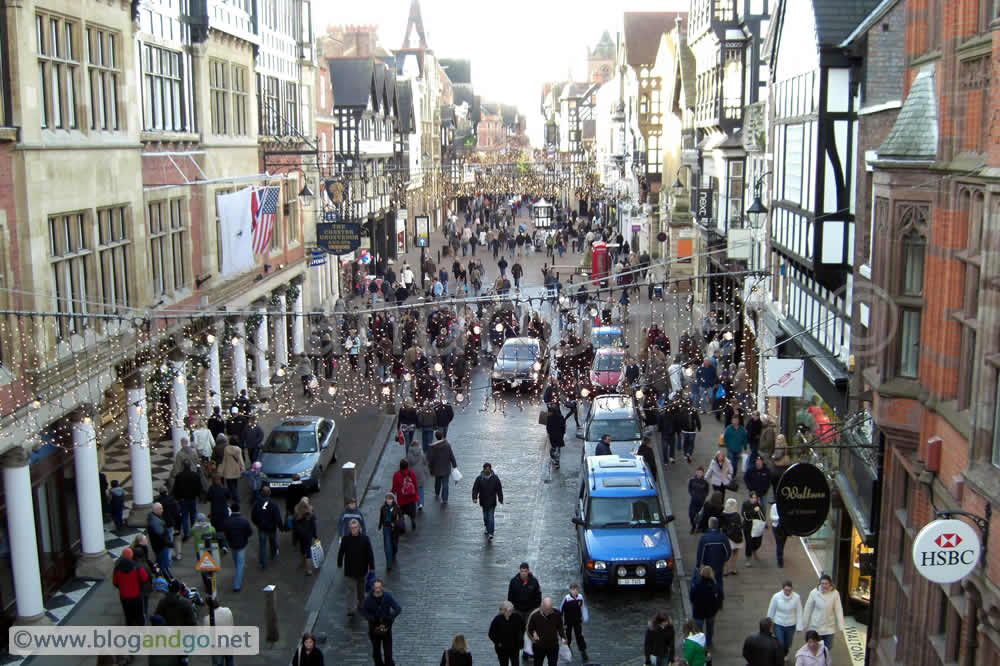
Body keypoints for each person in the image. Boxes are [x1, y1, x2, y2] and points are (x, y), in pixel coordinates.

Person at [337, 519, 375, 615]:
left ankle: (361, 604)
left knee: (361, 589)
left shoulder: (365, 539)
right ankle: (351, 608)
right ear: (349, 529)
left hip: (362, 569)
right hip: (350, 570)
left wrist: (372, 566)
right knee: (351, 589)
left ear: (359, 528)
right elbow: (341, 552)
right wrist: (339, 563)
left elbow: (369, 553)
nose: (353, 529)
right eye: (352, 528)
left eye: (355, 527)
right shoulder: (345, 539)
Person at [361, 578, 402, 666]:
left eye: (380, 587)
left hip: (385, 627)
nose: (378, 589)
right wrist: (372, 618)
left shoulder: (387, 596)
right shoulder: (368, 600)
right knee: (376, 652)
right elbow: (363, 612)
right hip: (374, 629)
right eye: (376, 588)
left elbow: (398, 608)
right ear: (373, 588)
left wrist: (390, 617)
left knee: (388, 652)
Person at [802, 575, 845, 653]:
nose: (824, 585)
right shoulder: (814, 593)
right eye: (822, 583)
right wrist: (804, 624)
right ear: (819, 584)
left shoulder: (835, 594)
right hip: (816, 627)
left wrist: (841, 626)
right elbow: (808, 609)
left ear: (830, 584)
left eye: (826, 583)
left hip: (829, 627)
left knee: (828, 647)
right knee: (817, 648)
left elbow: (838, 610)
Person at [695, 517, 732, 597]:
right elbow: (728, 551)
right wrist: (725, 560)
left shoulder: (704, 538)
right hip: (719, 563)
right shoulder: (723, 537)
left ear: (709, 525)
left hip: (708, 564)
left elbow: (700, 553)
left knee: (707, 580)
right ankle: (719, 596)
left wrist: (698, 565)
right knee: (719, 579)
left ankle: (709, 596)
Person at [112, 547, 149, 625]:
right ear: (131, 556)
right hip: (136, 596)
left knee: (128, 616)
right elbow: (145, 578)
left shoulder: (117, 568)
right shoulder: (137, 567)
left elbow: (115, 583)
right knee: (139, 615)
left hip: (124, 597)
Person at [768, 581, 804, 657]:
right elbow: (771, 610)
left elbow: (799, 612)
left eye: (789, 590)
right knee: (780, 642)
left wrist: (799, 626)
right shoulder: (776, 597)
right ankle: (780, 656)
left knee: (788, 642)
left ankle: (785, 653)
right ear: (783, 589)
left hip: (791, 625)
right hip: (778, 624)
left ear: (792, 590)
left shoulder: (796, 597)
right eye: (786, 590)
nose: (788, 592)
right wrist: (768, 624)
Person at [689, 566, 722, 648]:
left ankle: (701, 645)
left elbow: (692, 597)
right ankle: (709, 642)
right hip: (710, 612)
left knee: (699, 630)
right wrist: (716, 608)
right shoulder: (714, 585)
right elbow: (719, 598)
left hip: (698, 611)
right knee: (710, 628)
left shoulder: (696, 584)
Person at [526, 597, 565, 666]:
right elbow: (529, 629)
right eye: (547, 609)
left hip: (553, 645)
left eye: (550, 609)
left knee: (553, 664)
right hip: (539, 646)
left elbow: (560, 627)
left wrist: (563, 637)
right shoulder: (535, 615)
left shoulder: (557, 614)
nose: (548, 611)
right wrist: (533, 636)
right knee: (538, 663)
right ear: (542, 606)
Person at [222, 502, 252, 591]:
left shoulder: (227, 521)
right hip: (242, 545)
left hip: (232, 545)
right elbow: (249, 532)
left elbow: (225, 534)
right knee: (240, 565)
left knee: (237, 563)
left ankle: (238, 577)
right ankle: (236, 585)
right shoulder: (244, 521)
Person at [251, 486, 282, 570]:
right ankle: (273, 554)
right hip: (271, 527)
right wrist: (280, 526)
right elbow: (277, 517)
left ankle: (263, 563)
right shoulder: (273, 504)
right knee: (272, 541)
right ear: (270, 493)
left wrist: (257, 523)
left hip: (261, 527)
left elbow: (253, 516)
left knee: (262, 546)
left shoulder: (257, 504)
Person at [472, 462, 504, 540]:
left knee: (490, 517)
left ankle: (491, 533)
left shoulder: (495, 478)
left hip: (492, 501)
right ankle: (486, 526)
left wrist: (500, 498)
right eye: (486, 469)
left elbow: (499, 489)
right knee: (486, 517)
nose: (487, 471)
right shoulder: (479, 478)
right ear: (483, 469)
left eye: (488, 469)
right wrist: (474, 498)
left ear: (490, 469)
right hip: (483, 501)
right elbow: (475, 489)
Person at [490, 600, 526, 666]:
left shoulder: (517, 617)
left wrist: (520, 639)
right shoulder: (497, 619)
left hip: (515, 647)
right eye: (508, 611)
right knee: (503, 663)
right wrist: (498, 642)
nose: (510, 612)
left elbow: (523, 628)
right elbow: (491, 634)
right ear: (503, 611)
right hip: (502, 648)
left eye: (511, 610)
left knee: (515, 663)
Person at [559, 583, 589, 662]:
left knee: (579, 636)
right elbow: (561, 610)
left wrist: (585, 617)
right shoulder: (566, 599)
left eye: (576, 590)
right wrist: (560, 621)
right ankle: (568, 651)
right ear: (570, 590)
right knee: (568, 637)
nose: (575, 592)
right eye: (573, 590)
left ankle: (583, 652)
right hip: (568, 622)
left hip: (577, 621)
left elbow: (583, 607)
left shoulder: (580, 597)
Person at [427, 430, 458, 504]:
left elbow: (430, 458)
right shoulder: (447, 445)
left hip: (437, 468)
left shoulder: (433, 447)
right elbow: (451, 456)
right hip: (446, 467)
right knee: (445, 484)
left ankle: (437, 493)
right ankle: (445, 499)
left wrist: (430, 467)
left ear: (436, 437)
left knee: (437, 481)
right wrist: (454, 465)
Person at [292, 496, 319, 576]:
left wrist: (294, 539)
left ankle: (303, 561)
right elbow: (313, 526)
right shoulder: (310, 514)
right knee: (308, 551)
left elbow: (294, 528)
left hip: (300, 535)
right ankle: (309, 570)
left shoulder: (296, 513)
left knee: (302, 548)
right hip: (308, 535)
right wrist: (315, 535)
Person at [391, 459, 420, 531]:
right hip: (411, 497)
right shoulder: (411, 473)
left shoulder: (396, 475)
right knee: (412, 511)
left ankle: (402, 525)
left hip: (402, 498)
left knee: (401, 513)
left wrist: (391, 494)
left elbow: (394, 487)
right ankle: (412, 520)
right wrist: (416, 493)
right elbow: (415, 484)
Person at [377, 492, 403, 572]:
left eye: (390, 499)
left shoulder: (397, 507)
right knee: (387, 545)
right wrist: (380, 525)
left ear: (393, 499)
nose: (388, 500)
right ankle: (389, 564)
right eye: (387, 499)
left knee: (394, 543)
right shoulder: (383, 508)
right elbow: (381, 517)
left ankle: (394, 552)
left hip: (394, 528)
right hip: (386, 527)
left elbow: (401, 517)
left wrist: (397, 524)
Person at [742, 491, 767, 566]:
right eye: (753, 498)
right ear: (750, 498)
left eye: (756, 498)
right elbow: (744, 515)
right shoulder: (745, 504)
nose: (755, 499)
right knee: (749, 543)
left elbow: (763, 516)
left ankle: (754, 550)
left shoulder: (758, 505)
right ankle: (748, 559)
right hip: (748, 527)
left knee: (758, 542)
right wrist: (753, 511)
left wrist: (759, 511)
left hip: (756, 527)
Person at [147, 502, 173, 573]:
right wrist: (169, 543)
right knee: (163, 565)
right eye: (160, 509)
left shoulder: (153, 518)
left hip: (158, 546)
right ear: (156, 510)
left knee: (162, 563)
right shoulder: (156, 522)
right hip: (161, 547)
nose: (162, 510)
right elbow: (162, 536)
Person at [720, 497, 743, 574]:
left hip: (726, 536)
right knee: (735, 552)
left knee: (725, 553)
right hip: (735, 537)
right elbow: (740, 526)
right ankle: (733, 568)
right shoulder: (736, 515)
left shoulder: (723, 514)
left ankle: (725, 570)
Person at [688, 467, 709, 534]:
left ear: (703, 473)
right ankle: (693, 527)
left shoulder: (705, 482)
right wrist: (692, 494)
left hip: (701, 501)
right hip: (693, 500)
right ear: (696, 472)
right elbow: (690, 488)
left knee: (701, 515)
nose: (699, 474)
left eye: (701, 473)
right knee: (692, 514)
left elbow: (707, 490)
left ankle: (700, 527)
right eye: (698, 472)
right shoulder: (692, 480)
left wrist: (703, 497)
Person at [545, 403, 567, 468]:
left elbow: (548, 428)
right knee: (558, 449)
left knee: (553, 448)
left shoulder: (549, 418)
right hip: (559, 436)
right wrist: (562, 434)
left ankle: (555, 460)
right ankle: (557, 462)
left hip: (552, 436)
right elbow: (563, 427)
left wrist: (549, 434)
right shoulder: (561, 417)